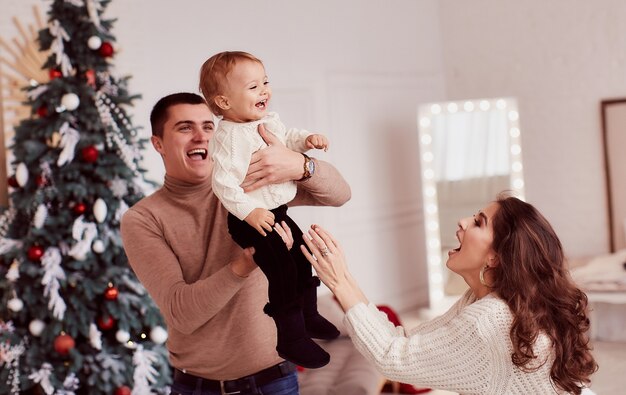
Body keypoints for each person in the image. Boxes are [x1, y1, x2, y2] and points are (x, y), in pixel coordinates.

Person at [120, 92, 351, 395]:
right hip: (199, 388)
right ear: (158, 143)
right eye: (185, 128)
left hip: (277, 381)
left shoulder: (251, 182)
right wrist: (246, 263)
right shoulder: (143, 219)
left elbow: (339, 194)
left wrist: (300, 165)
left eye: (208, 126)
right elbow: (181, 314)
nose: (201, 137)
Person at [300, 193, 598, 394]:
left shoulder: (488, 320)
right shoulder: (486, 300)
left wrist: (339, 280)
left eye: (478, 222)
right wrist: (344, 278)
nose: (462, 222)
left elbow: (392, 358)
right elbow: (404, 343)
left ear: (495, 257)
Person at [198, 51, 338, 369]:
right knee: (282, 271)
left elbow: (287, 137)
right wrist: (250, 213)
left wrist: (306, 140)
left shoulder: (266, 121)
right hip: (250, 220)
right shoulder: (228, 139)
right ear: (223, 102)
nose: (264, 91)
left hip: (277, 211)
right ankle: (290, 337)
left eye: (265, 82)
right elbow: (224, 186)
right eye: (253, 87)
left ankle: (309, 314)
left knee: (304, 254)